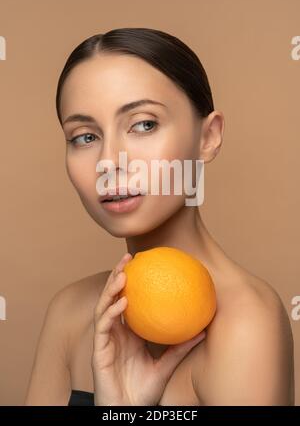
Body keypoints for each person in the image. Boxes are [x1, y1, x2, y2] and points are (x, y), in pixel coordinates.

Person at [24, 27, 294, 406]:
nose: (109, 162)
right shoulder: (71, 312)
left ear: (208, 137)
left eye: (144, 124)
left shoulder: (246, 322)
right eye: (85, 136)